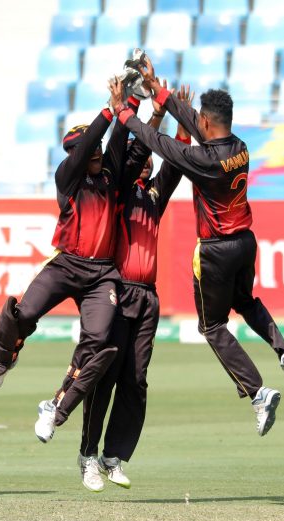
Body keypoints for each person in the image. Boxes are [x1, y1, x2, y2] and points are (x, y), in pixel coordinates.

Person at [109, 59, 284, 437]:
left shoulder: (202, 160)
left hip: (215, 250)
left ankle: (258, 392)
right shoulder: (241, 148)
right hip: (246, 242)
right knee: (247, 301)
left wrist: (124, 113)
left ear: (206, 122)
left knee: (213, 325)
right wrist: (159, 91)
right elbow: (193, 123)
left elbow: (157, 142)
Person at [0, 84, 130, 447]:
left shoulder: (109, 175)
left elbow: (118, 140)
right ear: (75, 154)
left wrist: (129, 103)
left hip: (102, 275)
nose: (97, 151)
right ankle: (3, 359)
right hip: (66, 264)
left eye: (98, 147)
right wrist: (107, 112)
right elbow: (93, 141)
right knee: (23, 312)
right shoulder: (68, 177)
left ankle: (55, 406)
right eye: (90, 148)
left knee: (97, 341)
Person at [76, 84, 191, 492]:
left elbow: (176, 164)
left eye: (148, 159)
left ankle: (114, 456)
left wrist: (182, 120)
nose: (145, 163)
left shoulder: (153, 194)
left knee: (136, 381)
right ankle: (88, 455)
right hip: (118, 292)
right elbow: (137, 149)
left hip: (147, 298)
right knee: (105, 377)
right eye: (139, 158)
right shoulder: (119, 191)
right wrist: (153, 113)